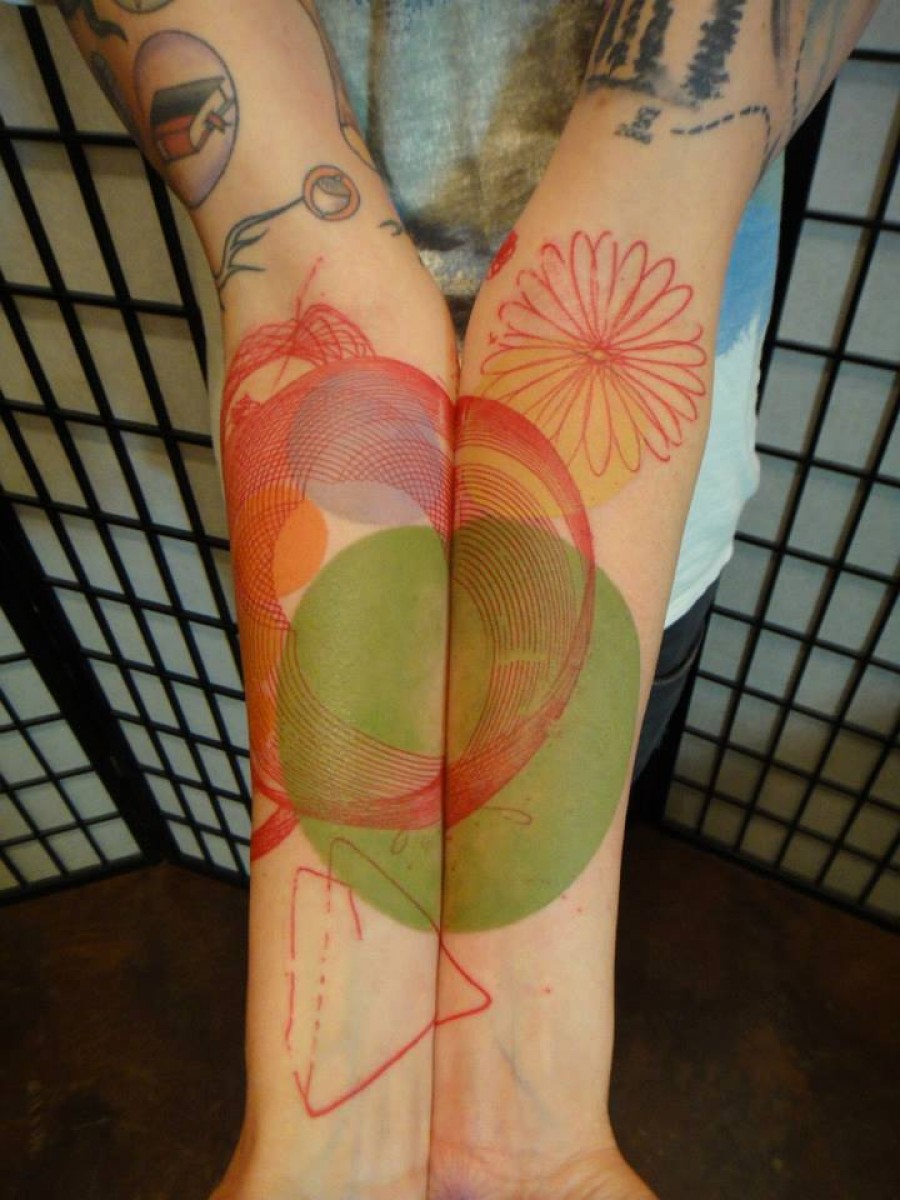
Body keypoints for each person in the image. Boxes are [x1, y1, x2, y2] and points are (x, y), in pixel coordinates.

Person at [46, 2, 878, 1197]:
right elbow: (299, 262)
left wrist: (530, 1136)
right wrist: (332, 1132)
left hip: (626, 508)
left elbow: (637, 238)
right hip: (327, 461)